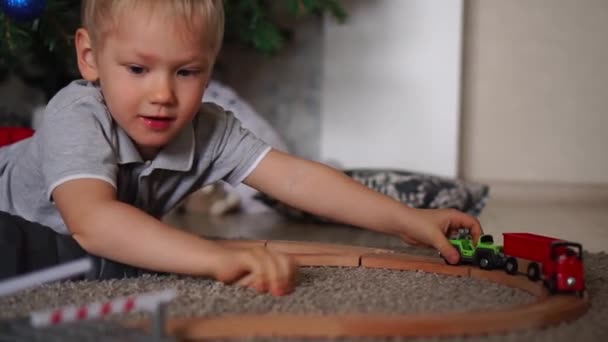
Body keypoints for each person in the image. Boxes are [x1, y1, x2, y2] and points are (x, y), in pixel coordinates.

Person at [0, 0, 482, 297]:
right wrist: (213, 259)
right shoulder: (77, 113)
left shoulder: (209, 130)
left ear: (209, 68)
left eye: (186, 72)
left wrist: (409, 220)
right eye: (138, 69)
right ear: (90, 57)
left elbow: (297, 179)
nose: (163, 94)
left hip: (74, 249)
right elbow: (94, 223)